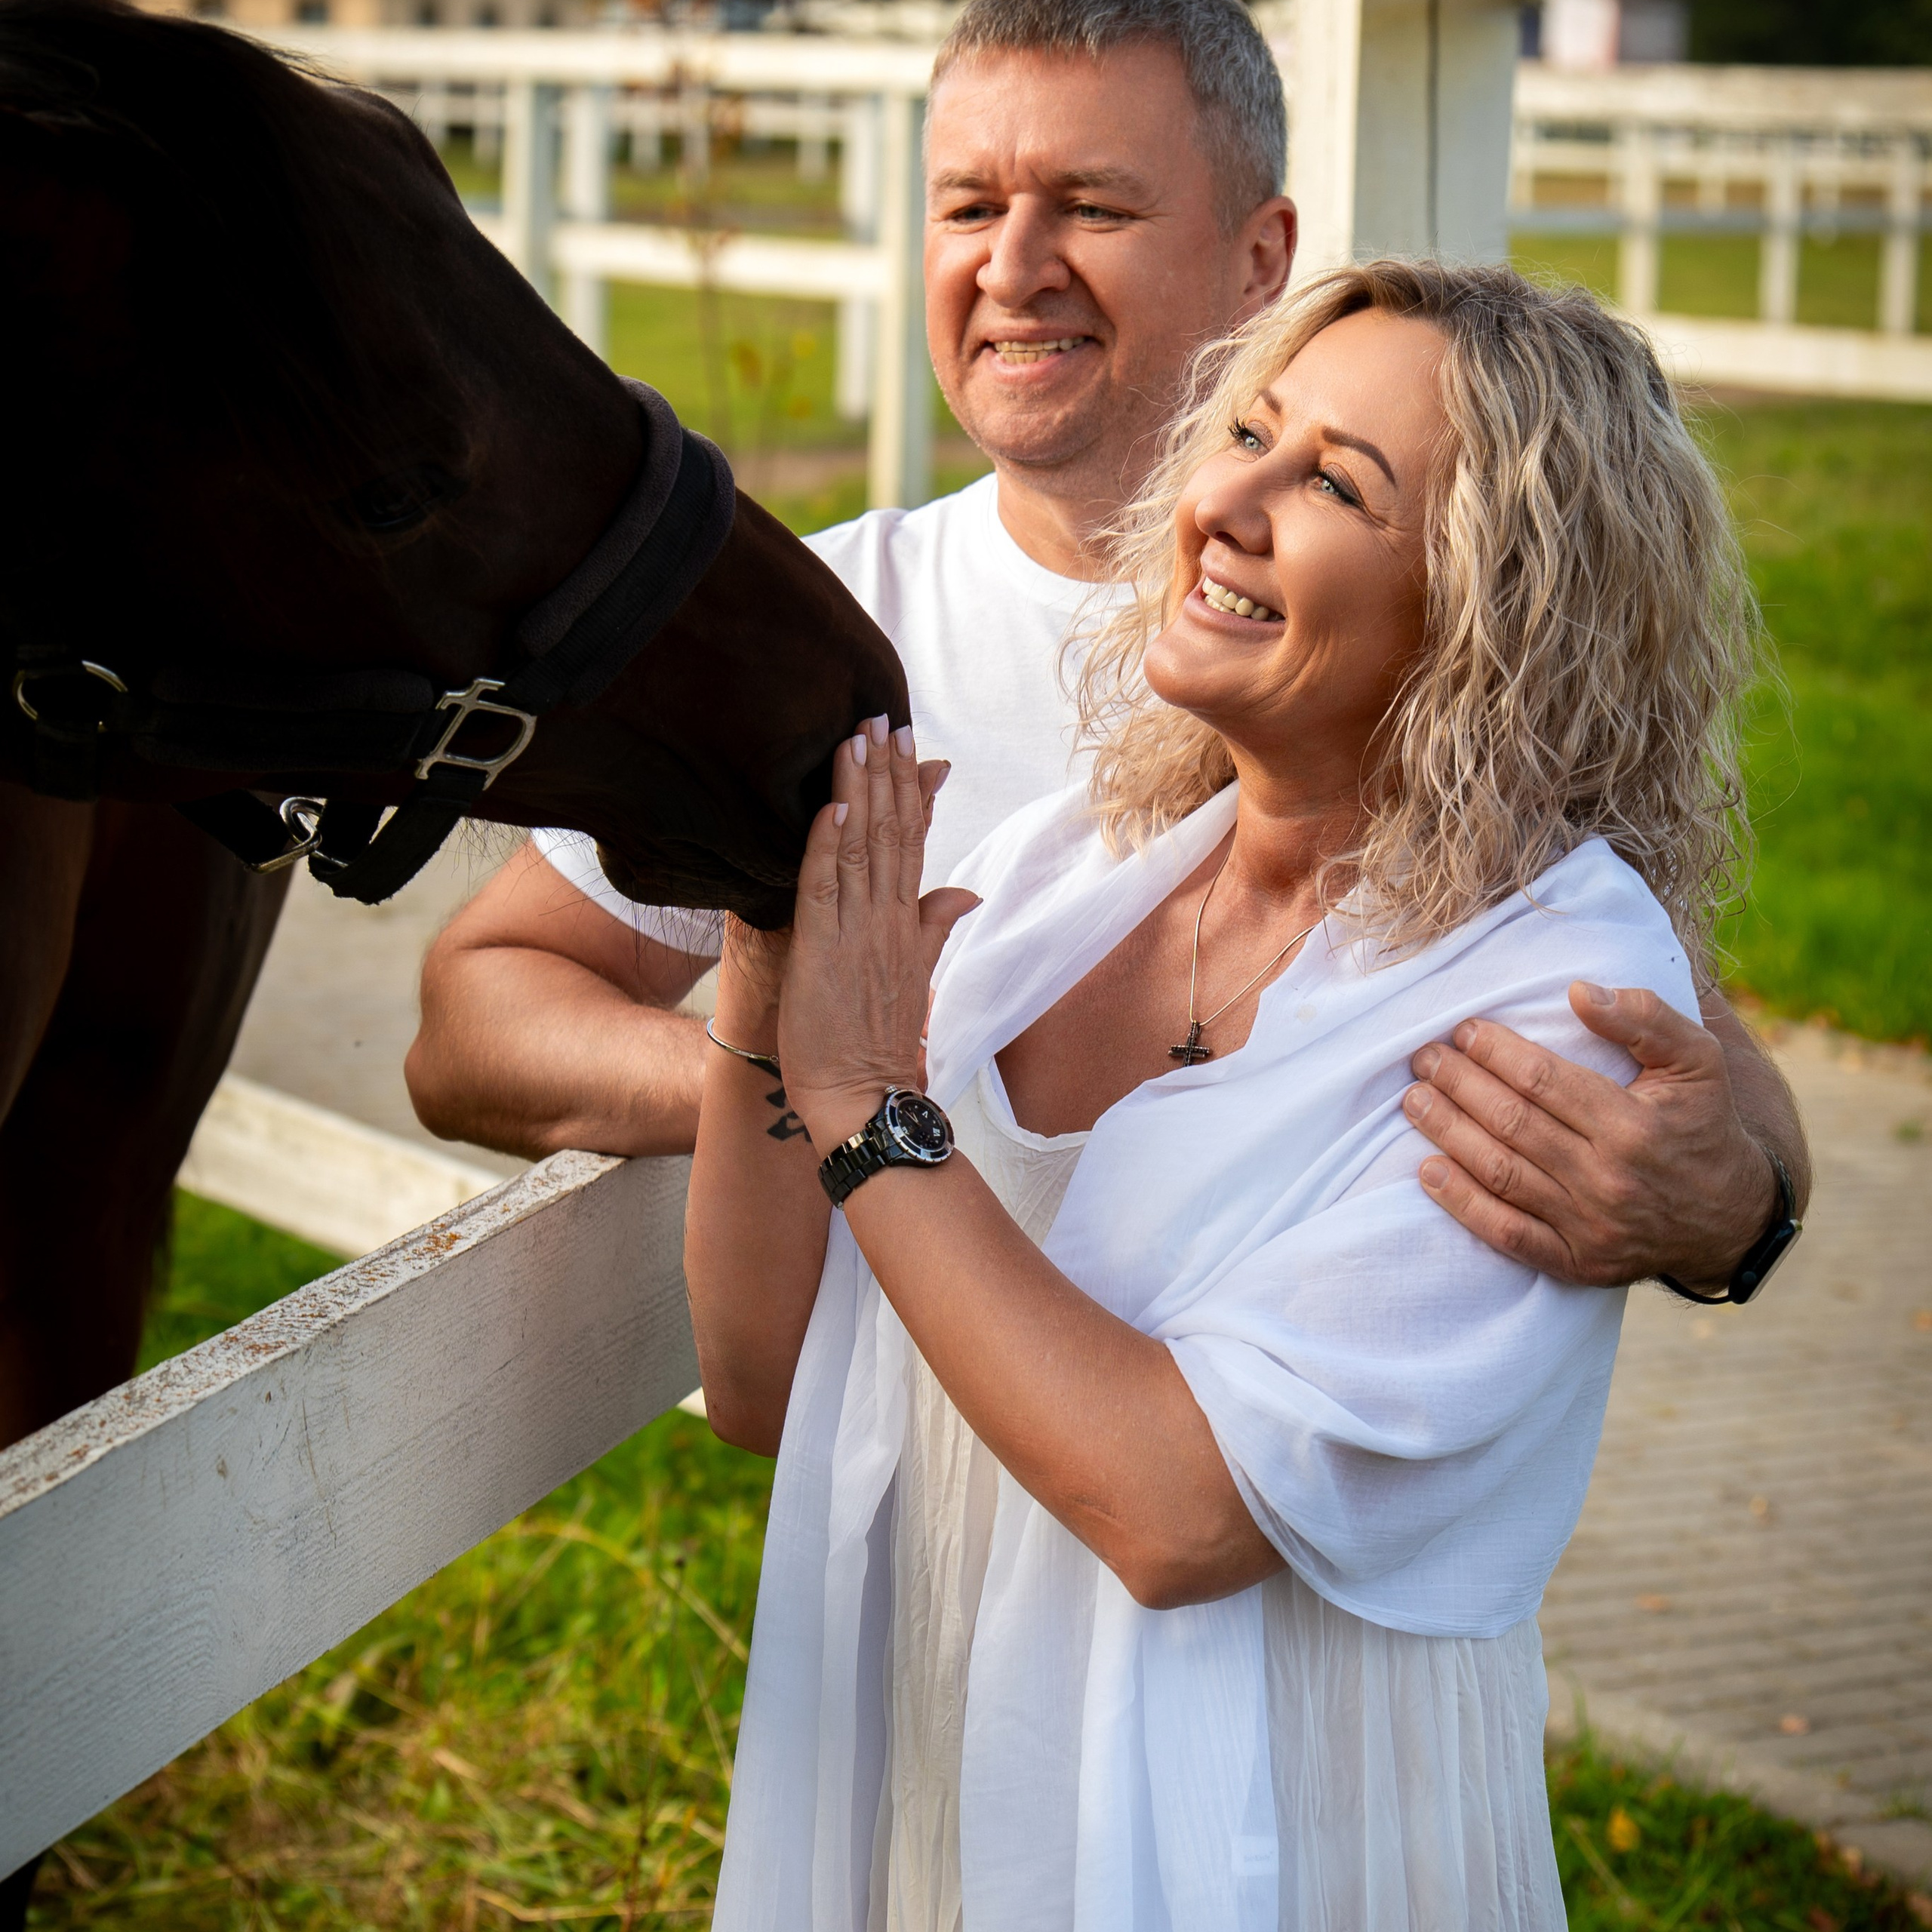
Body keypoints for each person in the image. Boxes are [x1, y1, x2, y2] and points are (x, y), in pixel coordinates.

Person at [405, 0, 1806, 1296]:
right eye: (969, 206)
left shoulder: (1412, 649)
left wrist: (1735, 1211)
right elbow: (473, 1018)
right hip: (892, 1493)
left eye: (1090, 205)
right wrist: (842, 1081)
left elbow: (1687, 1058)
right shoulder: (823, 623)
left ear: (1261, 257)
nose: (1012, 270)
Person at [686, 260, 1758, 1928]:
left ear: (1499, 602)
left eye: (1334, 482)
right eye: (1248, 432)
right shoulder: (1063, 877)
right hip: (933, 1784)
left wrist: (861, 1097)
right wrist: (773, 956)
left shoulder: (1542, 999)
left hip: (1265, 1845)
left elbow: (1178, 1507)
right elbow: (762, 1375)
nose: (1223, 503)